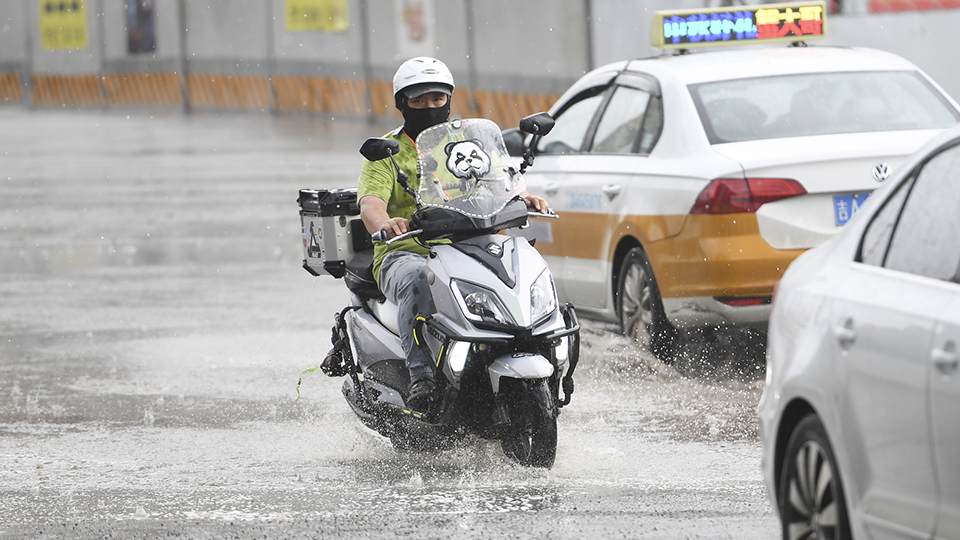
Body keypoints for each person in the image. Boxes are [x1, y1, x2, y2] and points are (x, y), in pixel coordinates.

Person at [355, 56, 549, 411]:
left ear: (449, 99)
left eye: (437, 99)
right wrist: (385, 224)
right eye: (418, 100)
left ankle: (540, 350)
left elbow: (496, 185)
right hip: (406, 252)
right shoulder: (387, 153)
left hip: (469, 244)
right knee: (417, 279)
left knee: (524, 266)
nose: (429, 107)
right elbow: (370, 204)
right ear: (401, 104)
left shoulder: (467, 145)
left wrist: (521, 198)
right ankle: (422, 377)